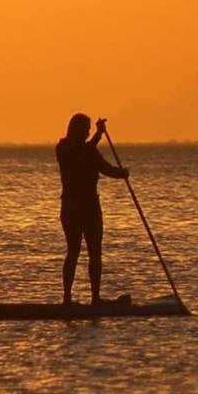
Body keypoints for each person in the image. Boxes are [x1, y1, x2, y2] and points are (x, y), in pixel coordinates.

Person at [56, 113, 127, 304]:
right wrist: (98, 135)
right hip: (74, 207)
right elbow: (80, 153)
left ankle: (95, 297)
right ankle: (67, 299)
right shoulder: (63, 148)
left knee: (95, 253)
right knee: (74, 251)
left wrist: (121, 174)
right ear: (77, 129)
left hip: (90, 206)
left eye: (89, 130)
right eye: (86, 129)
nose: (88, 133)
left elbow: (105, 168)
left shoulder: (90, 151)